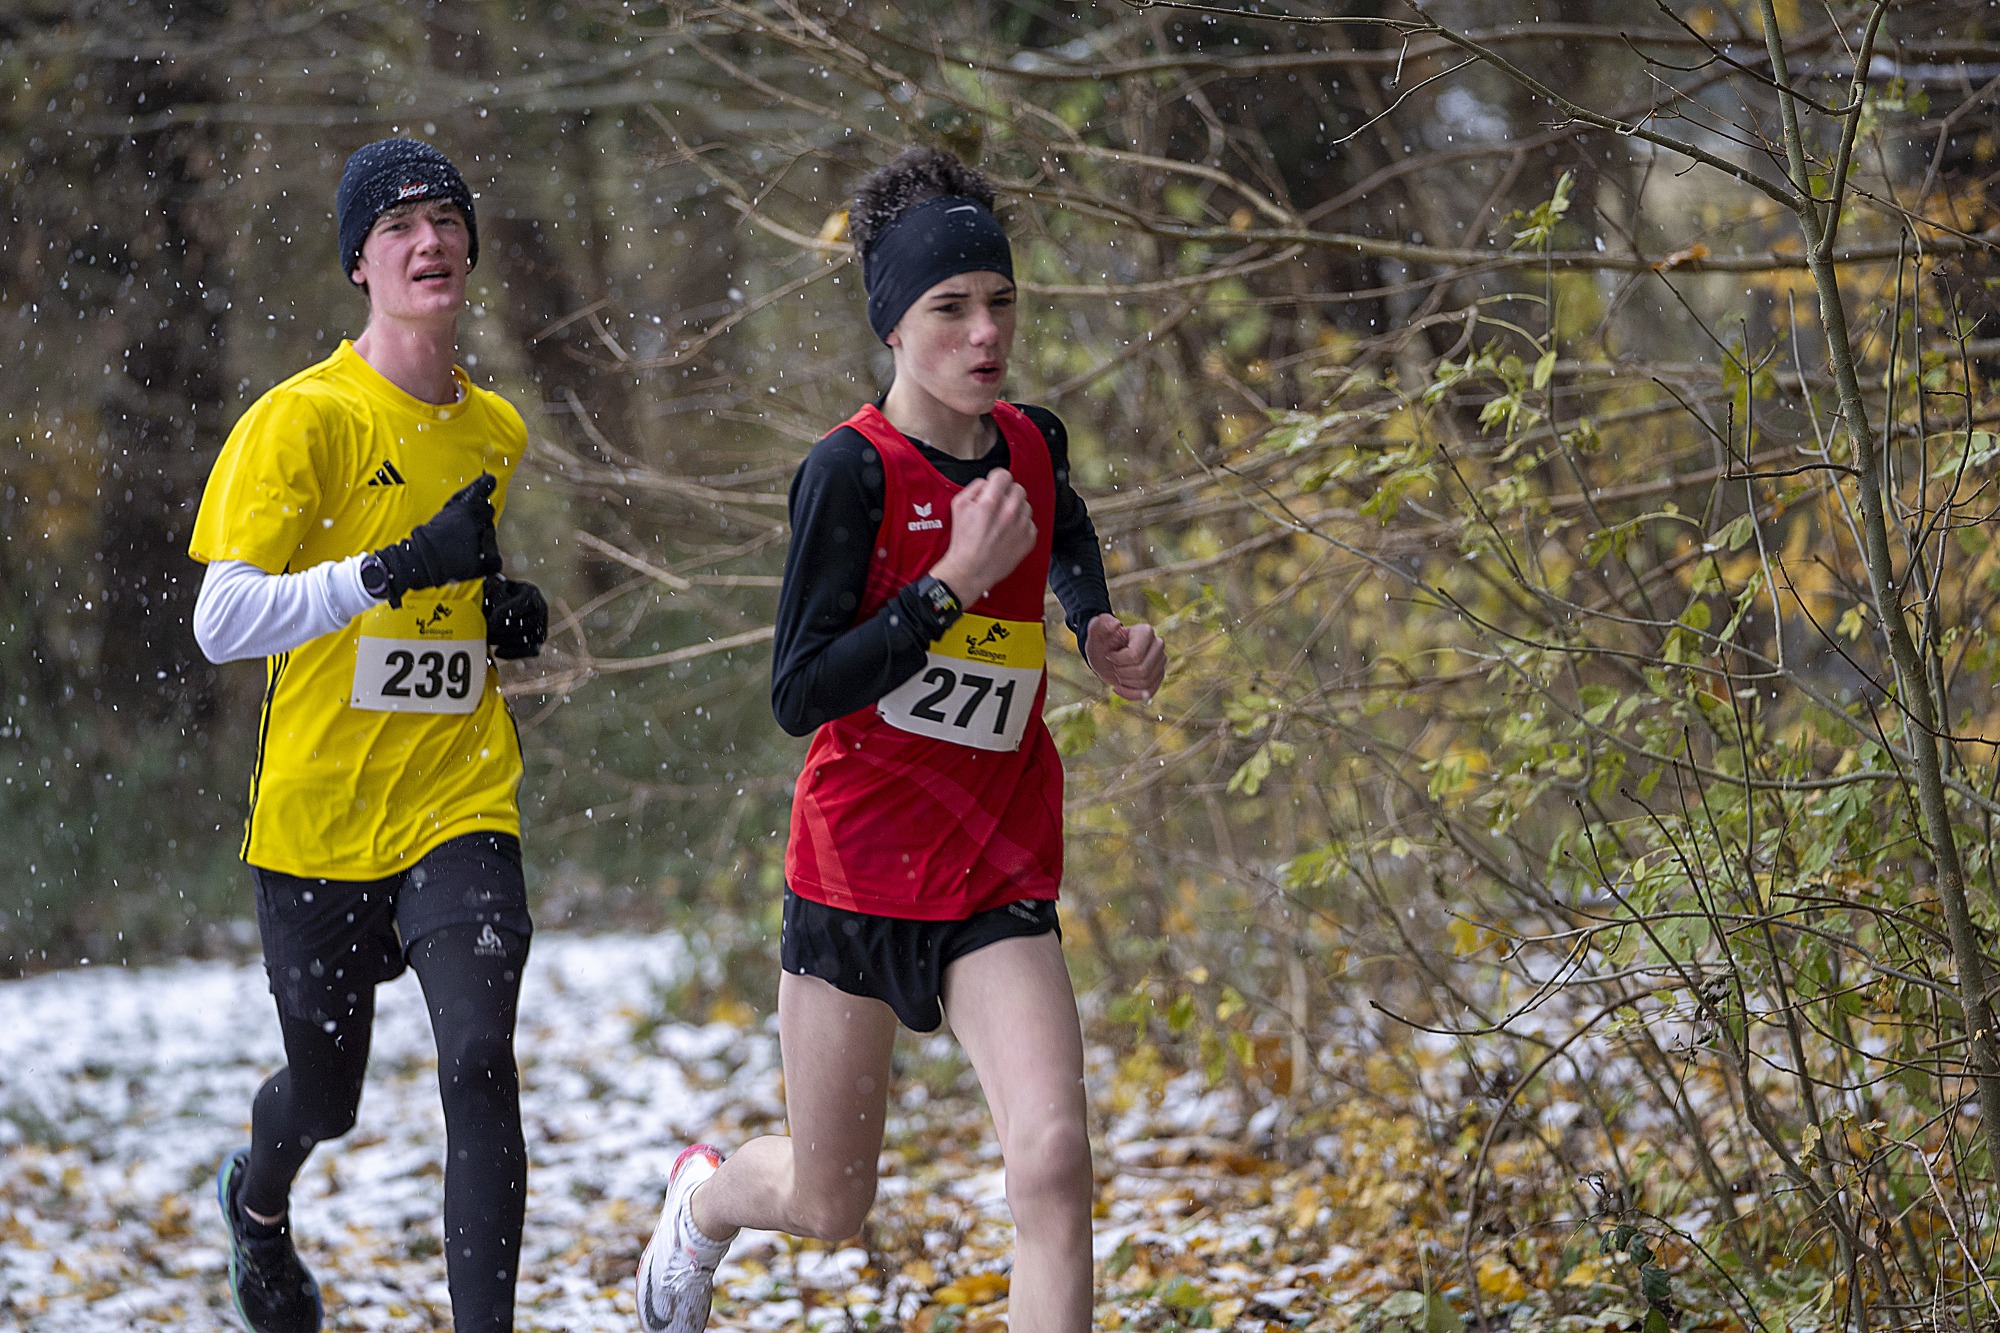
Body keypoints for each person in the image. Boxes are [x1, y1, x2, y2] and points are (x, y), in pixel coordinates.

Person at [635, 147, 1167, 1333]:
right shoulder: (848, 473)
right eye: (950, 307)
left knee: (1053, 1160)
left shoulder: (1030, 442)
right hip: (855, 875)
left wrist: (1094, 625)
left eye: (1001, 302)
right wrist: (945, 588)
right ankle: (705, 1204)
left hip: (993, 864)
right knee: (829, 1203)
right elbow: (799, 689)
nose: (985, 332)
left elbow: (1063, 526)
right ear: (892, 324)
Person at [187, 137, 549, 1333]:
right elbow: (222, 621)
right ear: (359, 261)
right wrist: (386, 570)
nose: (427, 240)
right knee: (325, 1099)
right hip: (320, 819)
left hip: (457, 797)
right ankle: (258, 1203)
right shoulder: (301, 420)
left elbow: (452, 593)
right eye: (396, 225)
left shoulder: (494, 427)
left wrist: (498, 611)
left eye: (444, 217)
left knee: (478, 1060)